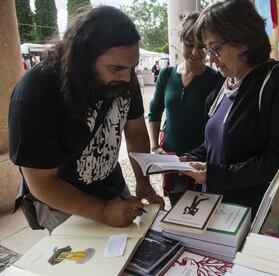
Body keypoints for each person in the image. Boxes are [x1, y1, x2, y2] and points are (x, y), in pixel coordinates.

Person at [8, 6, 164, 232]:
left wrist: (142, 182)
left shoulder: (123, 77)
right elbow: (41, 182)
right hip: (62, 203)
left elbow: (136, 132)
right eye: (116, 68)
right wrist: (102, 211)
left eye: (133, 67)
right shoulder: (35, 94)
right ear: (83, 57)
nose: (127, 77)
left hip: (112, 186)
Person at [181, 0, 279, 217]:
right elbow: (216, 144)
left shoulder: (278, 80)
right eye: (208, 50)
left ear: (243, 40)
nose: (211, 59)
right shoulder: (225, 84)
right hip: (212, 204)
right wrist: (189, 158)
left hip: (250, 212)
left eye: (216, 49)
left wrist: (217, 175)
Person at [148, 12, 221, 205]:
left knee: (201, 210)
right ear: (180, 41)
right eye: (189, 44)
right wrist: (155, 146)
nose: (195, 52)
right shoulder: (166, 75)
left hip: (201, 162)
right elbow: (154, 111)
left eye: (202, 47)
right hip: (172, 158)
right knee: (176, 206)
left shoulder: (217, 80)